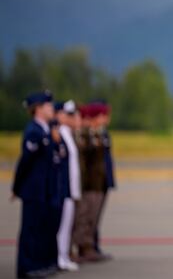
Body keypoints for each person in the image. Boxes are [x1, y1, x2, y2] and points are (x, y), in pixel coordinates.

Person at [12, 90, 59, 279]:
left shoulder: (45, 130)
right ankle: (26, 268)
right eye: (48, 106)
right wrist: (17, 187)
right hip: (33, 189)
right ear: (37, 109)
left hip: (44, 189)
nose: (51, 109)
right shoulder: (33, 131)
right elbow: (25, 162)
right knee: (30, 230)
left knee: (41, 229)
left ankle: (38, 264)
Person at [72, 104, 106, 263]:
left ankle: (88, 247)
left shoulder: (95, 134)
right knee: (83, 218)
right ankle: (81, 248)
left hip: (96, 183)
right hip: (86, 184)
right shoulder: (83, 135)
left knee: (91, 218)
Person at [55, 101, 81, 271]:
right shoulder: (59, 134)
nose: (75, 118)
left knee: (66, 226)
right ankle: (59, 256)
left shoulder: (68, 135)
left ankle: (63, 256)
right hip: (63, 189)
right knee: (61, 226)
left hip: (70, 189)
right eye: (70, 115)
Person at [91, 100, 114, 260]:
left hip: (102, 181)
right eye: (104, 115)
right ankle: (87, 247)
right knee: (88, 218)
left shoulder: (103, 133)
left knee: (95, 217)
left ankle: (93, 246)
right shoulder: (90, 134)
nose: (107, 118)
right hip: (92, 183)